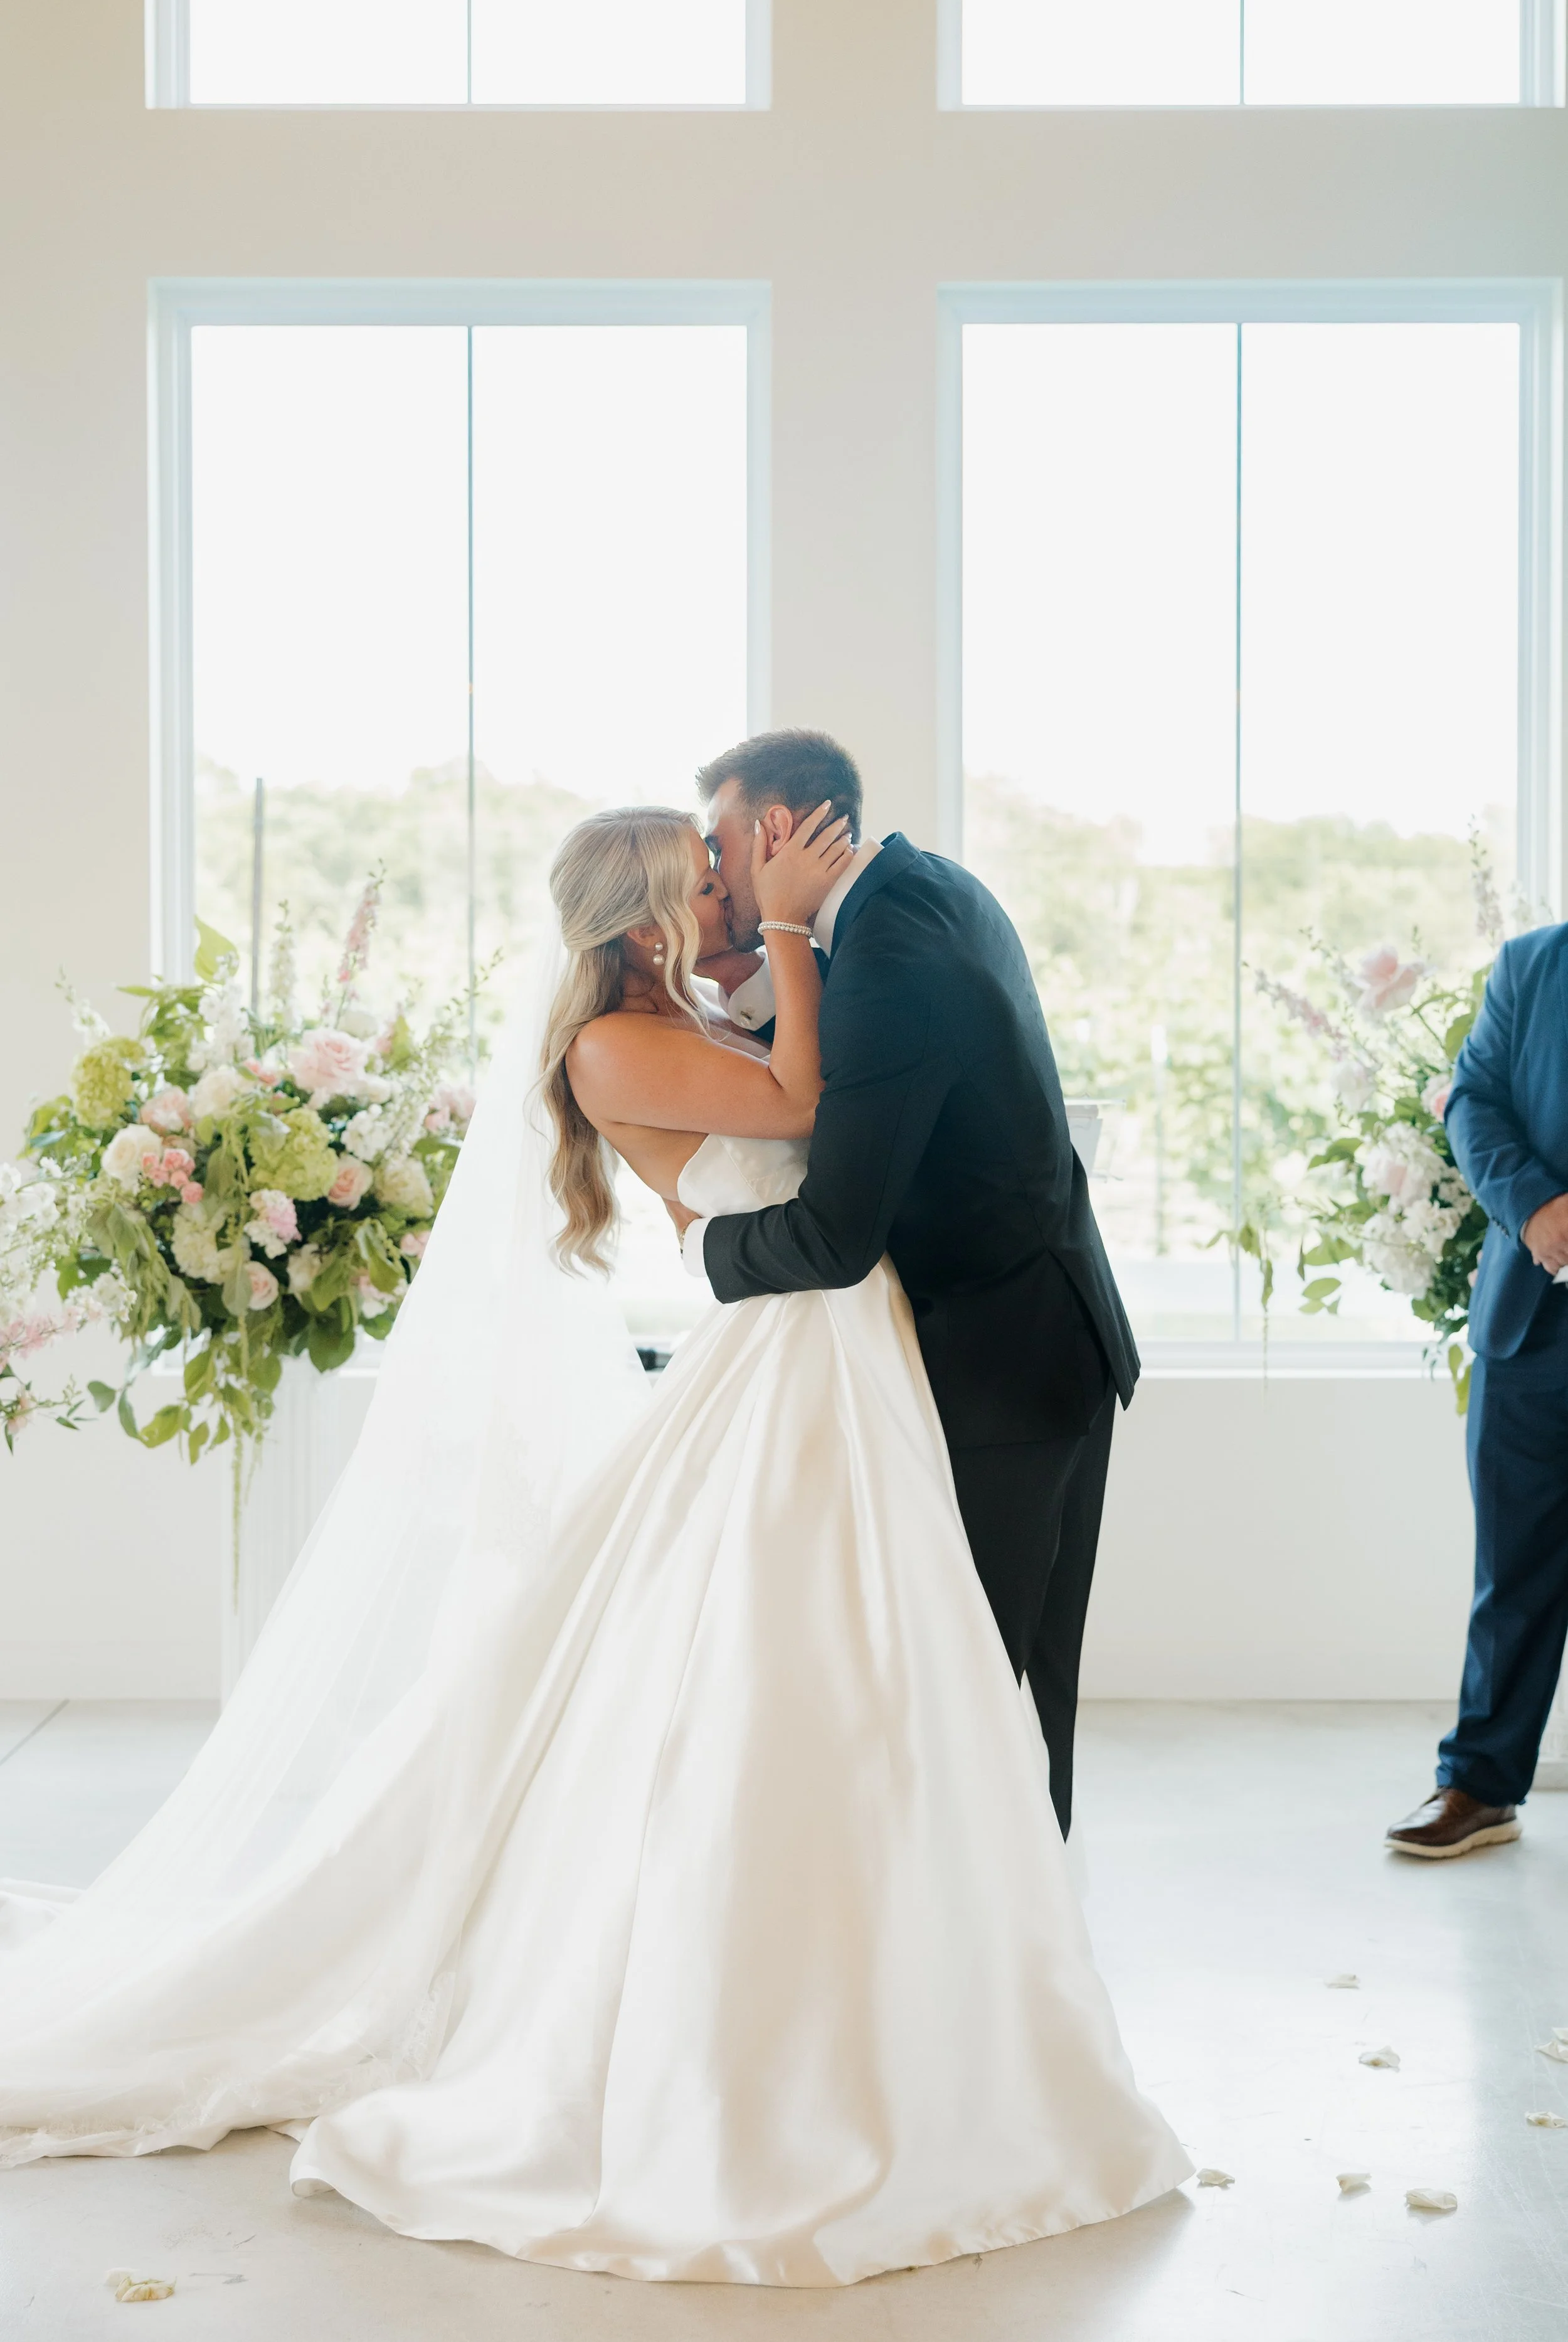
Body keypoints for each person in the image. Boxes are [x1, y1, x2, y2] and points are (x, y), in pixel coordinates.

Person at [0, 801, 1187, 2282]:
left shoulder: (673, 1013)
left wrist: (793, 951)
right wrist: (811, 936)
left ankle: (943, 1999)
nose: (729, 900)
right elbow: (812, 1103)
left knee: (901, 1683)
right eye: (706, 886)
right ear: (644, 918)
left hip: (846, 1360)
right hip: (795, 1371)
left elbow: (796, 1085)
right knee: (788, 1689)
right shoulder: (611, 1046)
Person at [681, 728, 1136, 1837]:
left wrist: (702, 1247)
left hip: (1001, 1375)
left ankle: (997, 1975)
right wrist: (759, 970)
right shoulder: (927, 889)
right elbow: (866, 1060)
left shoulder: (887, 957)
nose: (712, 872)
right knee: (1021, 1696)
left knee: (968, 1698)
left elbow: (837, 1233)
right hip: (1056, 1336)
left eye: (719, 843)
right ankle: (1026, 1962)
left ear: (776, 831)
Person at [1387, 921, 1568, 1859]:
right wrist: (1535, 1204)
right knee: (1514, 1566)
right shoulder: (1532, 964)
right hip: (1532, 1320)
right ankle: (1481, 1783)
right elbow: (1474, 1101)